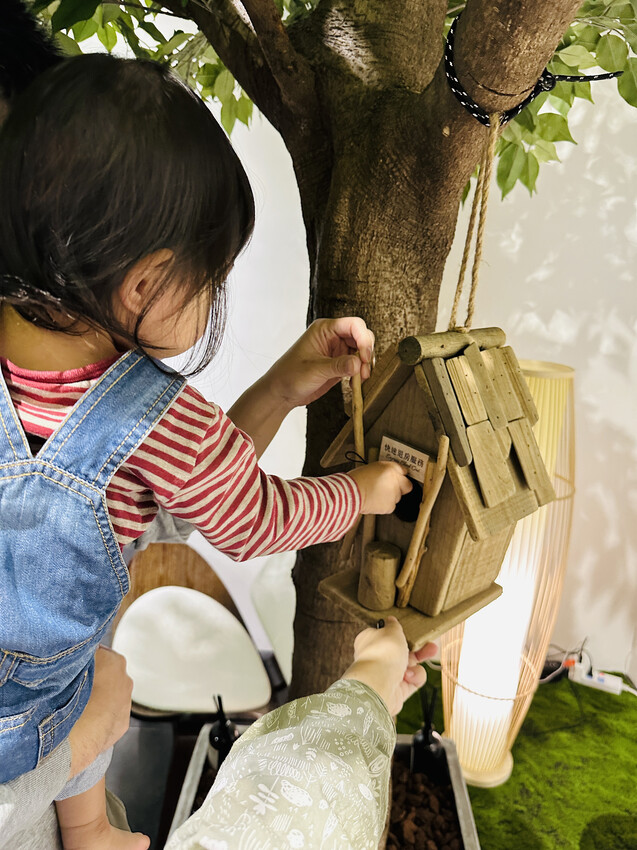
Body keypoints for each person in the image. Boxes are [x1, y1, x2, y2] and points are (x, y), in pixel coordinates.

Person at [0, 50, 412, 850]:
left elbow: (187, 487)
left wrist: (281, 385)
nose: (215, 295)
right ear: (144, 284)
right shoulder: (159, 415)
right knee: (85, 685)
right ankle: (90, 832)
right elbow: (252, 519)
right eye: (212, 278)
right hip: (41, 718)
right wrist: (358, 492)